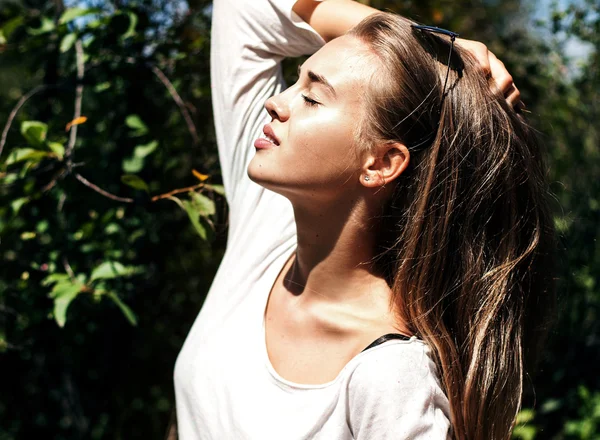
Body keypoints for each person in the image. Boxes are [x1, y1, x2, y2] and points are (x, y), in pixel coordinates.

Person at [172, 0, 555, 439]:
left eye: (312, 97)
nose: (275, 103)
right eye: (296, 82)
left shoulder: (391, 376)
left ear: (381, 162)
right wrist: (437, 49)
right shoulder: (266, 227)